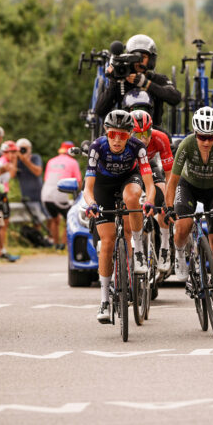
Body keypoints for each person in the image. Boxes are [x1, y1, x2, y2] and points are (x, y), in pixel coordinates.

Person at [165, 107, 213, 317]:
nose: (206, 142)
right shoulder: (186, 145)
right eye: (202, 137)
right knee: (183, 226)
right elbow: (173, 182)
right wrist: (169, 207)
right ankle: (180, 254)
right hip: (188, 186)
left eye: (211, 137)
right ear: (195, 134)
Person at [83, 110, 156, 323]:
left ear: (130, 135)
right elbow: (88, 187)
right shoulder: (97, 147)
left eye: (122, 135)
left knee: (133, 197)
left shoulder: (137, 147)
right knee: (107, 242)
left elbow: (149, 184)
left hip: (129, 179)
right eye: (113, 134)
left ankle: (139, 251)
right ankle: (105, 299)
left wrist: (149, 200)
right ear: (106, 131)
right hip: (103, 186)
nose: (117, 140)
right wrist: (92, 204)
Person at [94, 34, 181, 130]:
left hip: (153, 131)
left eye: (143, 57)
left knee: (168, 141)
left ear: (151, 59)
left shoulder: (158, 79)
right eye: (135, 57)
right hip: (124, 133)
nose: (139, 62)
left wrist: (146, 84)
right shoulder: (121, 80)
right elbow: (99, 111)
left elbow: (176, 98)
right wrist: (113, 83)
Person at [131, 109, 175, 273]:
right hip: (131, 169)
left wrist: (168, 200)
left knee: (164, 194)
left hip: (150, 166)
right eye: (137, 134)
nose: (143, 138)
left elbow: (169, 172)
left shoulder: (160, 138)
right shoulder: (123, 141)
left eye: (146, 132)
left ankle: (164, 247)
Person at [41, 141, 82, 249]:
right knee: (69, 218)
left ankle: (56, 244)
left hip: (46, 194)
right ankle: (64, 245)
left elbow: (46, 178)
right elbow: (78, 182)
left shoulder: (51, 161)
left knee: (55, 219)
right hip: (60, 194)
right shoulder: (73, 162)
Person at [15, 138, 46, 222]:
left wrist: (25, 160)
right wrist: (15, 157)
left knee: (48, 218)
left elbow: (38, 172)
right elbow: (13, 174)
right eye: (21, 148)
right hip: (27, 197)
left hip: (40, 195)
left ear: (30, 149)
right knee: (36, 221)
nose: (23, 150)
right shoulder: (17, 161)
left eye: (25, 148)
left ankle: (50, 235)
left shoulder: (35, 158)